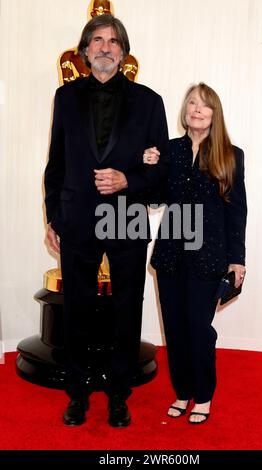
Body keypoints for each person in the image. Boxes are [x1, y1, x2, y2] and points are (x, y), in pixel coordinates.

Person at [44, 13, 169, 427]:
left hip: (128, 217)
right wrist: (53, 217)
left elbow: (159, 172)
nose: (104, 47)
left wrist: (127, 179)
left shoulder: (150, 102)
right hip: (76, 219)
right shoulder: (64, 99)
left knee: (126, 308)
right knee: (76, 308)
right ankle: (77, 393)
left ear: (124, 52)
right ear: (84, 52)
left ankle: (119, 394)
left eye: (113, 41)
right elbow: (56, 164)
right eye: (97, 40)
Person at [144, 82, 247, 424]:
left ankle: (203, 396)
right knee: (173, 328)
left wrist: (237, 259)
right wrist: (149, 165)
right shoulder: (170, 151)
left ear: (215, 114)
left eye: (204, 105)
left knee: (198, 327)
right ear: (184, 112)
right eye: (191, 104)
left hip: (210, 254)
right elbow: (155, 197)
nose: (197, 109)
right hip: (171, 252)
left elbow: (237, 211)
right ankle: (182, 392)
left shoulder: (231, 155)